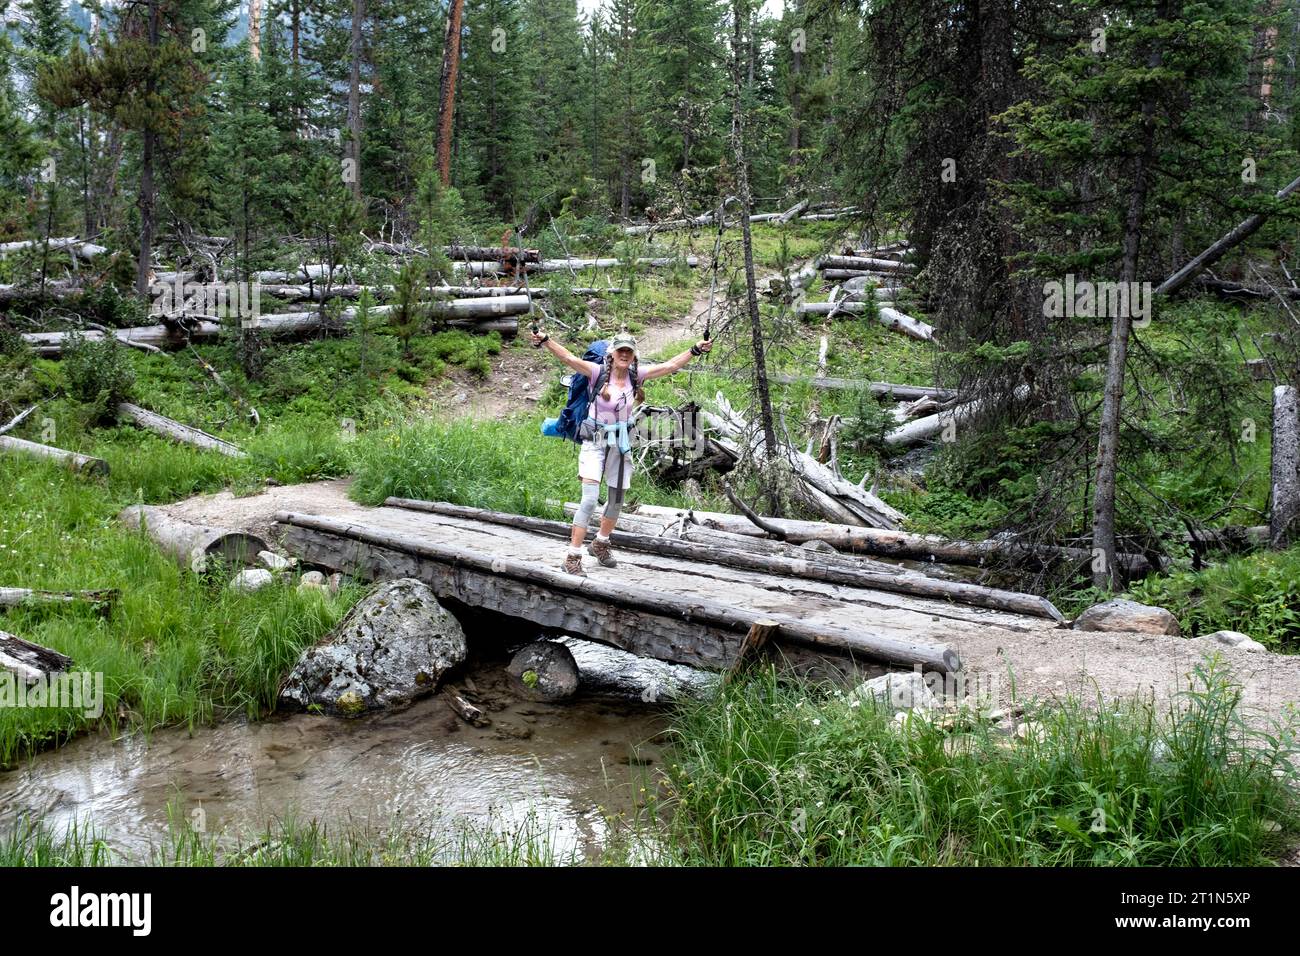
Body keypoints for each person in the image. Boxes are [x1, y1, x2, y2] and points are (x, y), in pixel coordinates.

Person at [531, 329, 712, 575]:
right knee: (589, 499)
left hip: (619, 441)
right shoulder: (597, 373)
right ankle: (572, 557)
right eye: (621, 350)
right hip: (594, 441)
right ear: (612, 354)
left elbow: (670, 365)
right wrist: (546, 341)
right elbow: (570, 359)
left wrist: (695, 349)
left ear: (633, 354)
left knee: (616, 500)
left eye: (629, 351)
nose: (624, 354)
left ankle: (600, 543)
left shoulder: (637, 376)